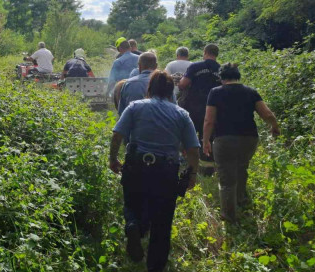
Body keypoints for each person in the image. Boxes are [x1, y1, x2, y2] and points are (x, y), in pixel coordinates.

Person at [109, 71, 200, 271]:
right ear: (171, 91)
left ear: (149, 89)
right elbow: (193, 149)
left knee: (132, 205)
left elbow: (117, 135)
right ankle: (155, 267)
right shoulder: (181, 114)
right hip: (166, 172)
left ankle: (134, 226)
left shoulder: (135, 107)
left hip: (136, 166)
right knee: (162, 223)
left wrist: (113, 158)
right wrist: (192, 174)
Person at [203, 63, 280, 222]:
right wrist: (274, 126)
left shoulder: (215, 92)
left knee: (226, 177)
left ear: (221, 78)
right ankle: (242, 201)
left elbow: (209, 120)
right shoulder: (250, 92)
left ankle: (229, 216)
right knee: (241, 168)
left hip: (224, 139)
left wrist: (205, 140)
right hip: (249, 139)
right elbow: (266, 113)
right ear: (238, 76)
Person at [178, 43, 221, 176]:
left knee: (188, 135)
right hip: (213, 110)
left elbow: (183, 84)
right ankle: (207, 170)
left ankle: (186, 164)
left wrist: (179, 83)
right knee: (207, 138)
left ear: (205, 52)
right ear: (216, 54)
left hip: (193, 108)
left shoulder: (195, 66)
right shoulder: (221, 69)